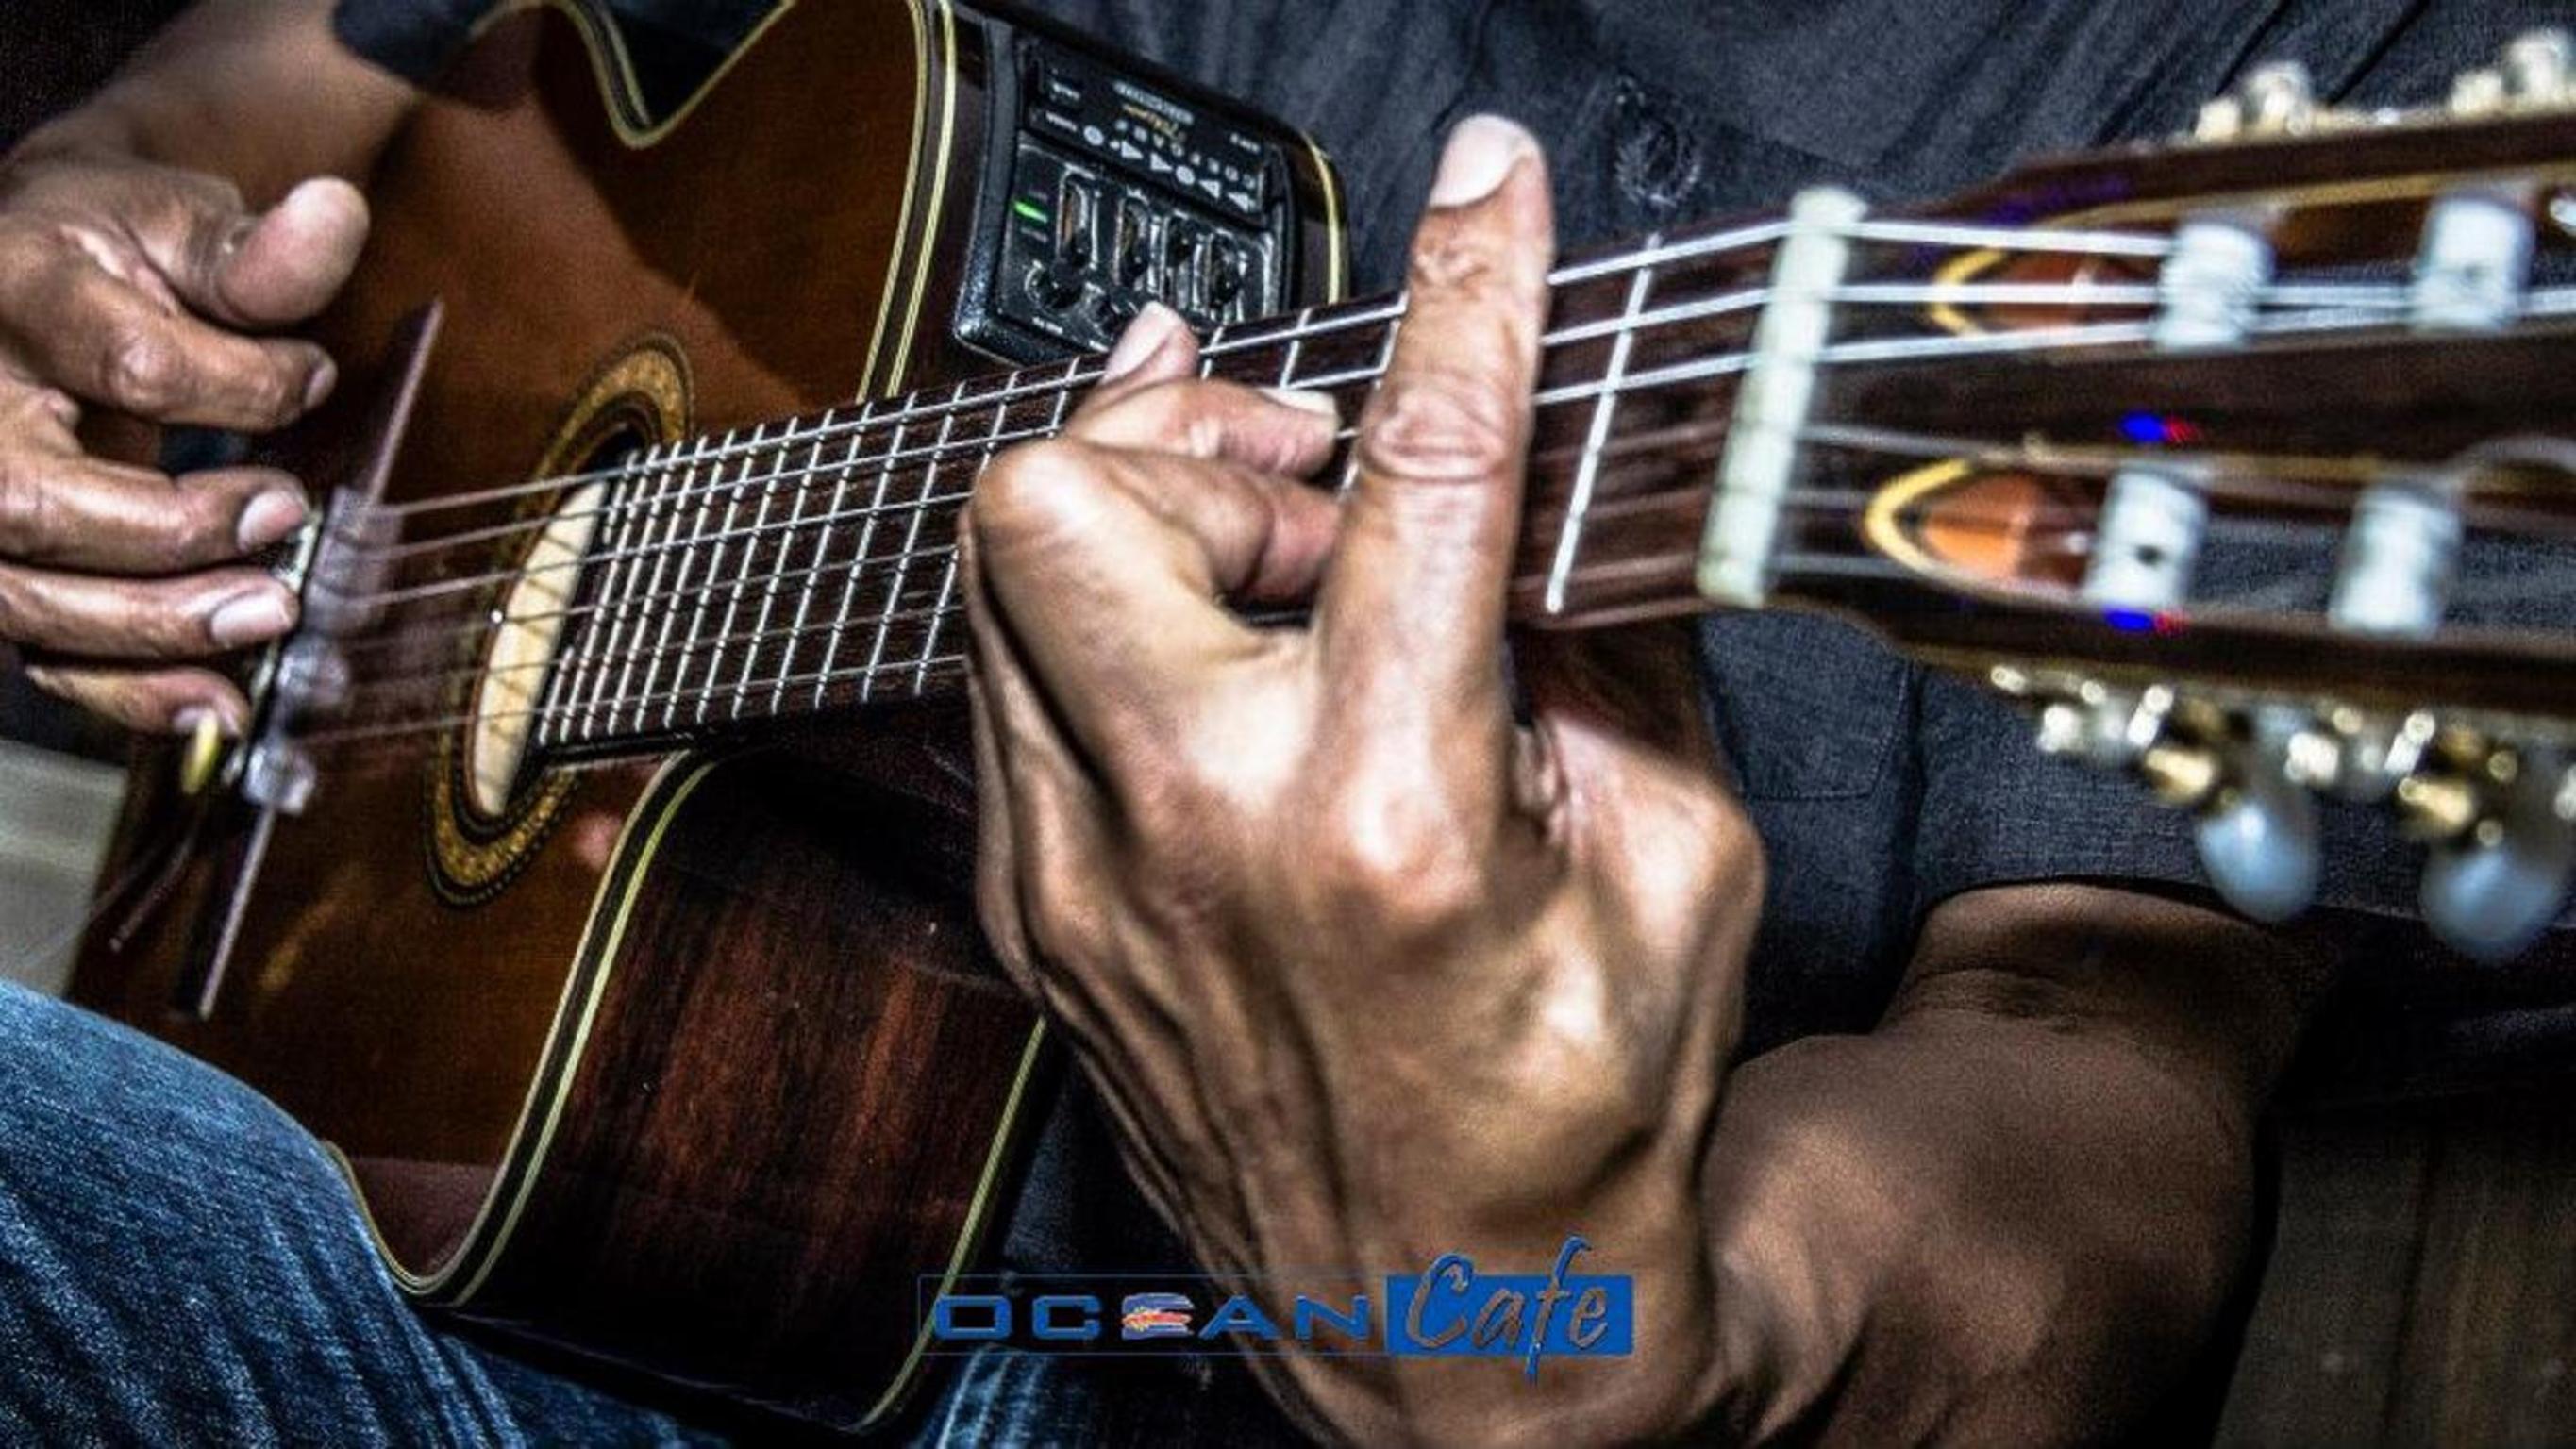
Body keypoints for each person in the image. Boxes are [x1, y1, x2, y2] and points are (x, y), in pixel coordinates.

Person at [0, 1, 2553, 1442]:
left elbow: (2104, 1099)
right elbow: (315, 62)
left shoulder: (2346, 75)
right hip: (484, 1137)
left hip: (1081, 1350)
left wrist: (1618, 1345)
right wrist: (89, 207)